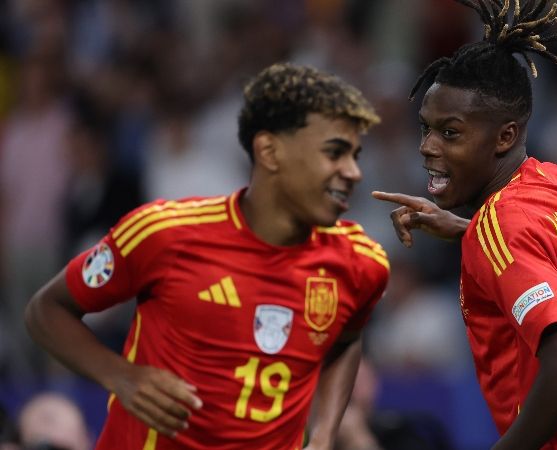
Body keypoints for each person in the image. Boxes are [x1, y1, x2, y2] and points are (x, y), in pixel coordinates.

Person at [25, 62, 390, 450]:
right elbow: (46, 310)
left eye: (355, 155)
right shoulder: (164, 234)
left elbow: (347, 340)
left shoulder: (361, 262)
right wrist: (121, 376)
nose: (353, 172)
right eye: (335, 153)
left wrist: (322, 437)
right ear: (269, 151)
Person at [372, 1, 557, 448]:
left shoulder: (502, 227)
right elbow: (549, 255)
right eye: (426, 128)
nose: (428, 146)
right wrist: (465, 229)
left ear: (505, 136)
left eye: (450, 133)